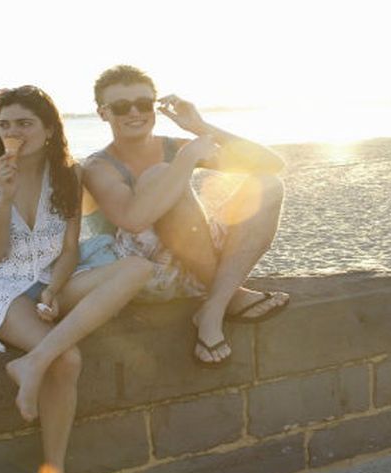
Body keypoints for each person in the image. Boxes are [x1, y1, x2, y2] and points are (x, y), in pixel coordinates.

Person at [0, 85, 152, 473]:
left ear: (49, 130)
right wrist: (5, 198)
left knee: (137, 268)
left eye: (25, 123)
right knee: (68, 359)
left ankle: (33, 362)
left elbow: (71, 250)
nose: (14, 132)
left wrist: (53, 292)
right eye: (5, 124)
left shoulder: (68, 174)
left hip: (48, 278)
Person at [82, 65, 289, 367]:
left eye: (143, 103)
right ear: (103, 113)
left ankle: (212, 309)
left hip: (195, 256)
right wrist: (187, 158)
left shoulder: (173, 146)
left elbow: (271, 164)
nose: (134, 112)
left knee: (267, 185)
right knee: (159, 176)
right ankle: (227, 296)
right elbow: (133, 220)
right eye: (121, 106)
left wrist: (200, 126)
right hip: (147, 274)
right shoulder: (98, 167)